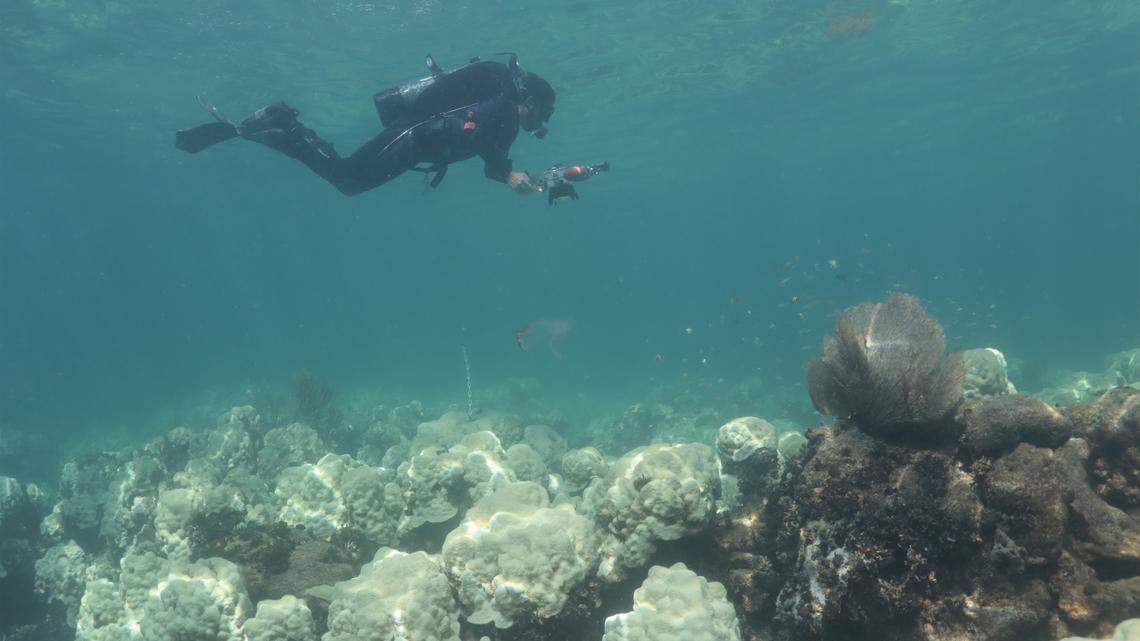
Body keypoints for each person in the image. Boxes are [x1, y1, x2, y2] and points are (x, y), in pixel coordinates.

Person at [174, 54, 555, 197]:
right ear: (533, 103)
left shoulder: (501, 106)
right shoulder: (505, 109)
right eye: (543, 118)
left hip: (414, 138)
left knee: (346, 180)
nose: (539, 126)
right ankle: (284, 123)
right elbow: (484, 134)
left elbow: (488, 155)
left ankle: (280, 126)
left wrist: (511, 175)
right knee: (346, 179)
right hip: (412, 137)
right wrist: (508, 176)